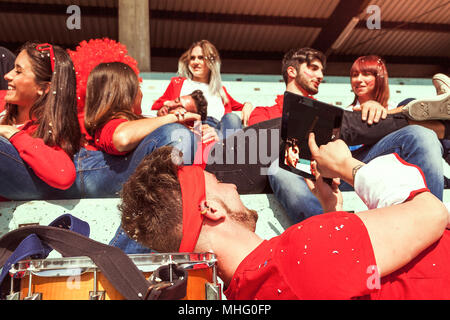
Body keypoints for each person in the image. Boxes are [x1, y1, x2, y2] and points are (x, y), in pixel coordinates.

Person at [118, 138, 450, 300]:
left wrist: (332, 214)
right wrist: (350, 167)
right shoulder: (301, 248)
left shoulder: (251, 293)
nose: (233, 185)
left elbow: (342, 283)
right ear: (211, 209)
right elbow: (432, 212)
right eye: (219, 183)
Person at [256, 48, 444, 224]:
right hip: (321, 171)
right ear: (292, 71)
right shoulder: (263, 112)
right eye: (313, 68)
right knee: (277, 168)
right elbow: (257, 150)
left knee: (421, 132)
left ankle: (437, 227)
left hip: (361, 165)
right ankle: (333, 233)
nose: (320, 76)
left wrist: (380, 109)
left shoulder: (330, 111)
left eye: (366, 74)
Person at [0, 42, 81, 200]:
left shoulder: (45, 135)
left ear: (43, 88)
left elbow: (63, 176)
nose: (7, 75)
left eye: (18, 71)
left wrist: (10, 132)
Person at [151, 40, 254, 138]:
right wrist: (174, 109)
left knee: (232, 118)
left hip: (218, 130)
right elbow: (159, 105)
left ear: (211, 61)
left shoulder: (220, 90)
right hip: (192, 127)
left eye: (201, 58)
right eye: (192, 58)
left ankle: (231, 152)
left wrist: (248, 104)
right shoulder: (178, 83)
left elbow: (240, 107)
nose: (195, 62)